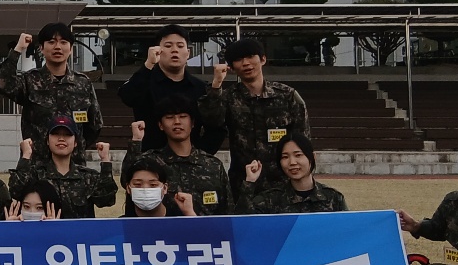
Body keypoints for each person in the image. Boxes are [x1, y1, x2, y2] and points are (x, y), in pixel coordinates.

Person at [199, 38, 310, 195]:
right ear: (231, 67)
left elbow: (303, 141)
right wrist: (216, 84)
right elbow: (212, 121)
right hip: (243, 186)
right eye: (238, 59)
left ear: (263, 59)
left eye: (251, 56)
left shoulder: (287, 96)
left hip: (284, 185)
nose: (246, 63)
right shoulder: (228, 98)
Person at [0, 22, 103, 161]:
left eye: (63, 42)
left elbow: (94, 125)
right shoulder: (30, 81)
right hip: (37, 166)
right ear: (42, 48)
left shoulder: (83, 83)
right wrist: (18, 49)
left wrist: (76, 146)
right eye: (51, 42)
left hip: (73, 169)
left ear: (70, 49)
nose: (57, 47)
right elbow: (1, 83)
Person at [117, 24, 225, 153]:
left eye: (180, 46)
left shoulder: (200, 88)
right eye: (168, 46)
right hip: (151, 160)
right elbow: (128, 97)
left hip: (190, 163)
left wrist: (200, 156)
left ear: (188, 53)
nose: (175, 50)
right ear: (157, 50)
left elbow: (216, 128)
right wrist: (148, 65)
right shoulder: (145, 81)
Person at [124, 95, 231, 216]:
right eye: (169, 117)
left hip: (206, 233)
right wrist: (136, 142)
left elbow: (227, 211)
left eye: (183, 117)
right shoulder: (150, 162)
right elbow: (127, 182)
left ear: (193, 123)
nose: (177, 122)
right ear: (160, 125)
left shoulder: (213, 166)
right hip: (161, 233)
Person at [9, 115, 116, 219]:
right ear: (47, 140)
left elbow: (107, 200)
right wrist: (26, 155)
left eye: (67, 134)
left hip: (79, 235)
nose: (61, 138)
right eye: (55, 134)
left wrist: (105, 160)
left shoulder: (88, 176)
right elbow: (16, 190)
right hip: (45, 235)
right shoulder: (36, 174)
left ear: (75, 142)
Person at [236, 133, 348, 214]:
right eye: (285, 157)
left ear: (312, 157)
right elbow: (242, 226)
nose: (292, 162)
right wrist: (249, 183)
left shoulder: (333, 198)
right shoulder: (269, 200)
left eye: (298, 155)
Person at [122, 156, 196, 217]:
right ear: (128, 188)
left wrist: (190, 214)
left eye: (153, 185)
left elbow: (200, 234)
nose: (145, 189)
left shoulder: (179, 221)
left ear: (165, 188)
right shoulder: (120, 225)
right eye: (138, 184)